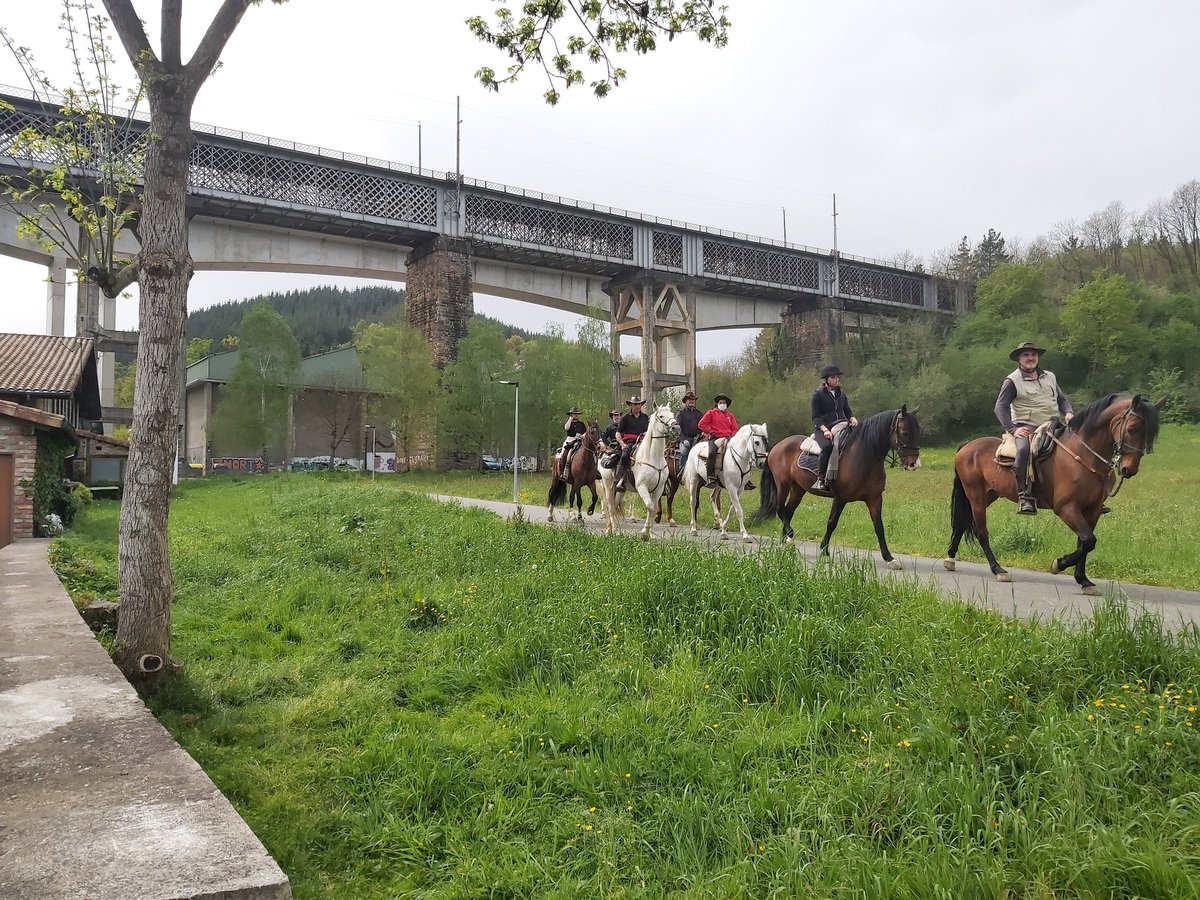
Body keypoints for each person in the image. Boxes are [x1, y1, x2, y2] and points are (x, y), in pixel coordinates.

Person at [994, 341, 1074, 516]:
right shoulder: (1012, 381)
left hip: (1054, 423)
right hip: (1027, 427)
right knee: (1023, 451)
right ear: (1019, 359)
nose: (1030, 358)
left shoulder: (1050, 376)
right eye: (1026, 355)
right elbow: (1000, 408)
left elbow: (1062, 399)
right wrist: (1013, 429)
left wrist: (1068, 412)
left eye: (1033, 354)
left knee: (1077, 445)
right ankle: (1024, 495)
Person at [810, 364, 857, 492]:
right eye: (832, 377)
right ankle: (820, 478)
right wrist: (824, 430)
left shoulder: (842, 394)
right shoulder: (817, 395)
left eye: (837, 377)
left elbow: (847, 411)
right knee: (827, 446)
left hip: (842, 424)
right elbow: (815, 417)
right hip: (823, 427)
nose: (836, 379)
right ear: (826, 380)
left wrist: (852, 418)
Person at [697, 393, 740, 488]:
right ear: (717, 404)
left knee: (741, 452)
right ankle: (710, 476)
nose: (722, 404)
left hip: (729, 439)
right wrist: (710, 431)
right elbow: (701, 424)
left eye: (724, 402)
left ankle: (744, 477)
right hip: (715, 438)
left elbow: (735, 428)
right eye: (720, 402)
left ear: (726, 405)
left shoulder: (730, 416)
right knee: (712, 453)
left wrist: (733, 435)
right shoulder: (711, 413)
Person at [614, 395, 649, 489]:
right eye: (635, 404)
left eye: (639, 404)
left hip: (643, 442)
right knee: (625, 456)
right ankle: (620, 479)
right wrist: (622, 444)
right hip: (630, 442)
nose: (637, 406)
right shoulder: (625, 418)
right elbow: (618, 433)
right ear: (631, 405)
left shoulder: (646, 418)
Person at [556, 406, 587, 481]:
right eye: (574, 414)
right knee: (563, 454)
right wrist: (570, 419)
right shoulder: (568, 422)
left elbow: (586, 432)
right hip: (570, 440)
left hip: (580, 440)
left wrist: (582, 436)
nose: (576, 415)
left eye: (577, 414)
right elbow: (566, 428)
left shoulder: (581, 424)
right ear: (571, 414)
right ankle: (561, 471)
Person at [675, 390, 702, 468]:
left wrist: (702, 433)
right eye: (689, 399)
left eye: (693, 400)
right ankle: (682, 471)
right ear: (685, 401)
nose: (691, 401)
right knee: (684, 452)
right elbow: (678, 429)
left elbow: (701, 426)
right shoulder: (680, 413)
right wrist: (684, 440)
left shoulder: (698, 413)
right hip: (685, 439)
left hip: (697, 439)